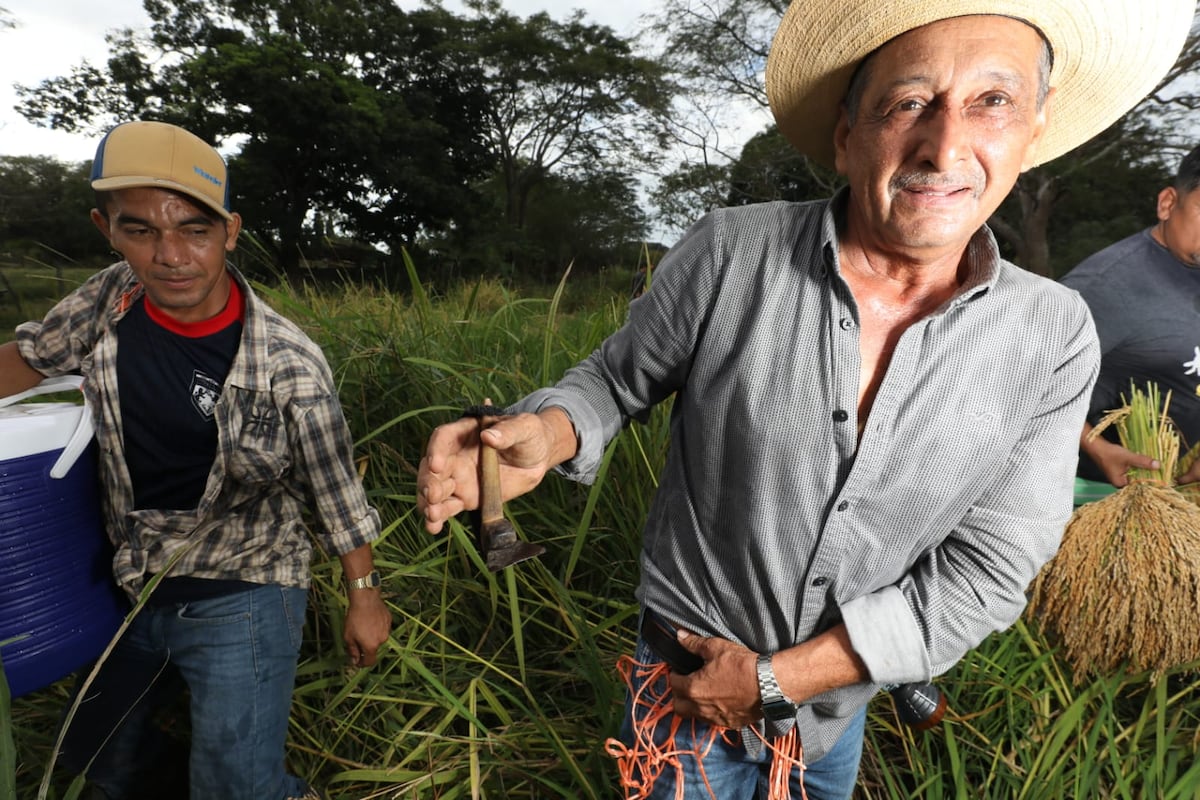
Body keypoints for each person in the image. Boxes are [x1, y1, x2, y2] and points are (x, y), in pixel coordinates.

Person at [417, 1, 1193, 798]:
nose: (945, 145)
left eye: (992, 102)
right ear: (846, 135)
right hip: (682, 697)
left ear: (1035, 126)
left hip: (834, 716)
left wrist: (784, 677)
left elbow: (993, 565)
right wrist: (547, 434)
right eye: (907, 103)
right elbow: (614, 381)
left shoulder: (1054, 332)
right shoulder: (730, 253)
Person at [0, 120, 392, 800]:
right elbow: (29, 360)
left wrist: (364, 595)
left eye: (194, 229)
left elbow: (333, 489)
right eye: (141, 230)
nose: (171, 255)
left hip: (245, 590)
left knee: (236, 786)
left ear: (230, 231)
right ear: (107, 228)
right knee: (92, 756)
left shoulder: (287, 365)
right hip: (132, 580)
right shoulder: (108, 300)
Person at [1062, 144, 1200, 492]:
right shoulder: (1103, 289)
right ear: (1168, 203)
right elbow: (1016, 382)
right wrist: (1098, 448)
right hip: (1103, 496)